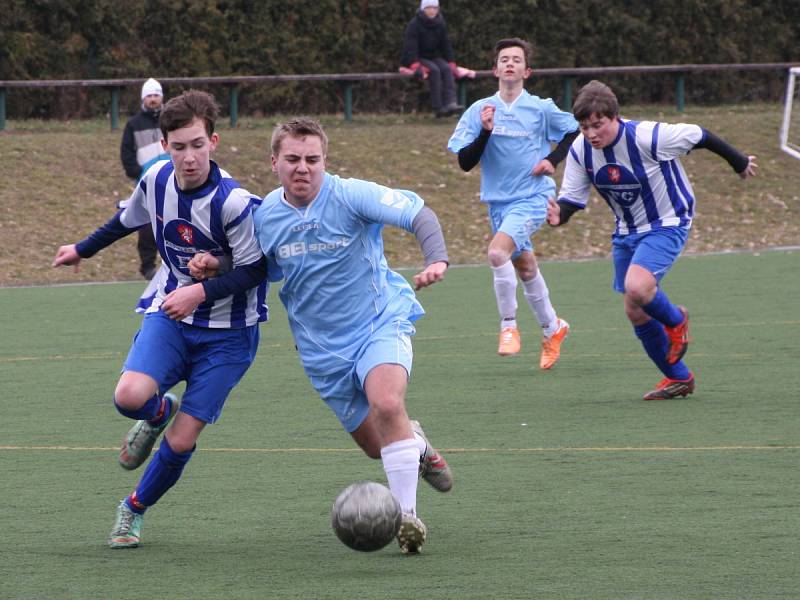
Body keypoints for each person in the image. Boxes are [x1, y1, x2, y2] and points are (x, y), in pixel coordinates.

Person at [189, 117, 453, 555]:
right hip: (322, 351)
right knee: (376, 446)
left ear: (325, 161)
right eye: (292, 159)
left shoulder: (350, 195)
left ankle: (407, 520)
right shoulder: (266, 215)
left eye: (313, 159)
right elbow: (259, 265)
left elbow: (418, 214)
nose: (303, 168)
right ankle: (417, 444)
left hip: (378, 323)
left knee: (387, 402)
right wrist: (217, 264)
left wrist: (437, 259)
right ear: (274, 162)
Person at [52, 90, 269, 548]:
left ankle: (132, 510)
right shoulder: (155, 180)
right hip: (171, 313)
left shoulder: (235, 203)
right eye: (178, 146)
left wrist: (202, 290)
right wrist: (81, 250)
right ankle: (156, 411)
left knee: (183, 440)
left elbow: (257, 269)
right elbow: (126, 221)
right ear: (165, 145)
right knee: (129, 396)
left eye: (196, 144)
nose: (188, 157)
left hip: (229, 336)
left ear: (214, 141)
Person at [547, 80, 758, 399]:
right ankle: (678, 378)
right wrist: (558, 216)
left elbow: (700, 134)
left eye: (598, 125)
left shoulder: (648, 136)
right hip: (627, 231)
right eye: (585, 126)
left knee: (638, 286)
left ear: (614, 117)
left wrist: (739, 161)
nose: (591, 133)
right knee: (635, 310)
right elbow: (573, 199)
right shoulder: (580, 150)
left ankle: (677, 320)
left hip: (668, 220)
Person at [447, 38, 579, 369]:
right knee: (525, 267)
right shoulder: (480, 110)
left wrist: (553, 160)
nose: (509, 64)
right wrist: (485, 132)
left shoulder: (540, 108)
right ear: (495, 69)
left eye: (516, 60)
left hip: (534, 196)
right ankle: (553, 328)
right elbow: (465, 162)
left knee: (496, 253)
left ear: (526, 71)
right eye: (504, 59)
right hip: (499, 204)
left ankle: (508, 327)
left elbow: (574, 131)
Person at [120, 77, 171, 279]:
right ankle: (147, 265)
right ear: (143, 99)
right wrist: (137, 173)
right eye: (149, 95)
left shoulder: (170, 120)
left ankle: (173, 264)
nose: (153, 99)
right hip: (147, 184)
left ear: (161, 97)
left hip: (171, 181)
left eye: (156, 95)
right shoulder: (133, 124)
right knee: (147, 226)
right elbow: (126, 153)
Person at [401, 0, 464, 117]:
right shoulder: (414, 25)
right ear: (423, 9)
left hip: (433, 56)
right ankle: (438, 107)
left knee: (446, 68)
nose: (432, 11)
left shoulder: (440, 23)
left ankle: (451, 103)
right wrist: (415, 64)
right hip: (417, 57)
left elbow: (446, 44)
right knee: (434, 70)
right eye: (428, 8)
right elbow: (410, 47)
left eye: (434, 8)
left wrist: (451, 62)